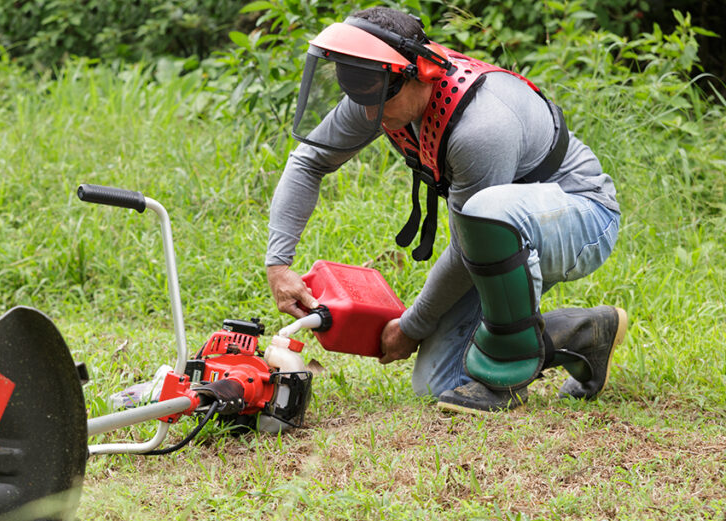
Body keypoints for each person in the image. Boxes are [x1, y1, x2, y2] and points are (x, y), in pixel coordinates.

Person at [265, 6, 628, 414]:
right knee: (439, 381)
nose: (369, 116)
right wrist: (278, 264)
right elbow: (308, 161)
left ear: (420, 71)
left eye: (378, 98)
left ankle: (504, 371)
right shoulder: (377, 89)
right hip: (495, 237)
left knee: (487, 212)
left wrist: (411, 325)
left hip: (581, 218)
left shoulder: (481, 128)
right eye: (359, 98)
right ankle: (584, 335)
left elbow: (466, 245)